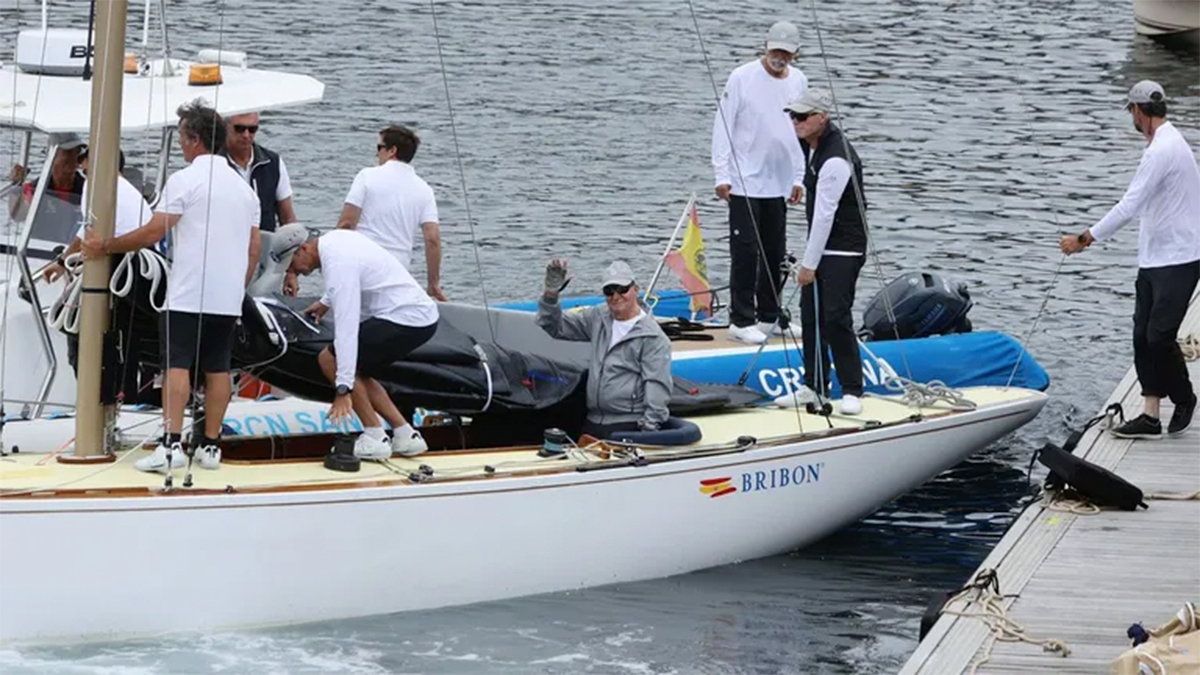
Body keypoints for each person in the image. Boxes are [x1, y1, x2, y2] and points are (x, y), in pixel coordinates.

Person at [82, 100, 262, 473]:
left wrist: (105, 246)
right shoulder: (245, 189)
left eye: (182, 137)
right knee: (217, 368)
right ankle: (211, 447)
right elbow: (253, 249)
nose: (181, 144)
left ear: (194, 140)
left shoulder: (185, 179)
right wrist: (235, 286)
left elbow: (153, 231)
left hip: (188, 293)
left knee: (176, 365)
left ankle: (171, 445)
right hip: (227, 296)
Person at [1060, 80, 1200, 439]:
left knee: (1159, 337)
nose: (1133, 119)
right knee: (1142, 335)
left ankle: (1184, 398)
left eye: (1132, 113)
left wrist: (1084, 239)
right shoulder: (1160, 144)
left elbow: (1129, 205)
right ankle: (1150, 417)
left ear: (1138, 112)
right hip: (1154, 259)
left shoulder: (1163, 149)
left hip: (1181, 259)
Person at [289, 229, 440, 459]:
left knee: (329, 359)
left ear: (304, 248)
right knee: (362, 372)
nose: (295, 272)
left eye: (292, 264)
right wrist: (326, 302)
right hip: (421, 317)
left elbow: (347, 329)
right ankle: (405, 434)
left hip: (405, 318)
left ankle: (374, 435)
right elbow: (357, 271)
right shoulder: (335, 240)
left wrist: (343, 389)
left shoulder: (337, 264)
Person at [712, 20, 808, 345]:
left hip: (779, 182)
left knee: (775, 252)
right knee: (745, 251)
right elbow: (723, 125)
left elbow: (801, 131)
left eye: (786, 53)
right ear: (766, 47)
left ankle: (770, 316)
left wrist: (799, 176)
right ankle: (741, 319)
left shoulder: (799, 81)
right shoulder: (742, 77)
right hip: (744, 181)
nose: (780, 58)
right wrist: (721, 174)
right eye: (775, 51)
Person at [773, 89, 869, 416]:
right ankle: (813, 385)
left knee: (835, 317)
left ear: (822, 118)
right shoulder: (811, 145)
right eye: (793, 116)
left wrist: (809, 265)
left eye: (802, 117)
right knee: (810, 315)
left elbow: (826, 214)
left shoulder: (836, 160)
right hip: (822, 244)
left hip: (844, 248)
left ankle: (853, 389)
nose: (796, 122)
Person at [44, 148, 160, 405]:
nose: (81, 168)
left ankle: (107, 403)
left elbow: (91, 234)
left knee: (92, 341)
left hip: (124, 277)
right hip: (130, 276)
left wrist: (65, 261)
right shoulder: (116, 188)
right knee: (116, 344)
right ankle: (115, 398)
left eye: (84, 162)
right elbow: (88, 231)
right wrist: (62, 262)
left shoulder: (100, 188)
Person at [536, 259, 673, 439]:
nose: (616, 296)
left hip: (627, 424)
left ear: (635, 290)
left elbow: (657, 385)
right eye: (609, 291)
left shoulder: (653, 338)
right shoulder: (597, 316)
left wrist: (648, 432)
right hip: (593, 421)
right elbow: (553, 326)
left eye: (622, 289)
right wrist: (551, 294)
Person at [329, 125, 445, 303]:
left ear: (392, 151)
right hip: (397, 273)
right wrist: (433, 284)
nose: (377, 154)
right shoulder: (424, 190)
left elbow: (346, 224)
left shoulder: (367, 176)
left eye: (379, 148)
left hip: (362, 268)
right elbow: (432, 240)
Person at [221, 111, 302, 295]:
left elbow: (287, 217)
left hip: (264, 257)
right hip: (225, 255)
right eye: (239, 129)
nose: (246, 135)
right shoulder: (215, 163)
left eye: (252, 129)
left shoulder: (272, 162)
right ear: (226, 127)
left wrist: (290, 271)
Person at [7, 132, 87, 226]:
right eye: (67, 154)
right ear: (51, 157)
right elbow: (18, 216)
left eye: (77, 154)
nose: (73, 162)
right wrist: (16, 185)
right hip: (41, 240)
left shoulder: (87, 189)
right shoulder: (35, 189)